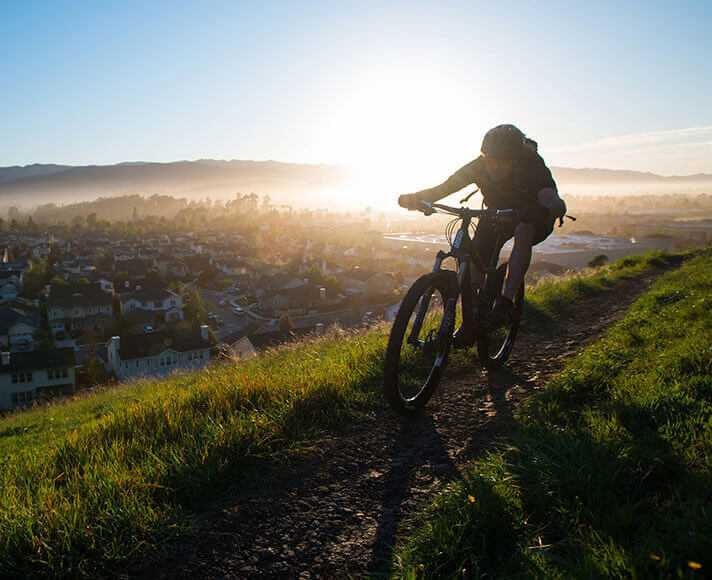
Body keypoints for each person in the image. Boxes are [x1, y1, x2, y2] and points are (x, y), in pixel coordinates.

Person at [398, 124, 566, 328]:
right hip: (496, 214)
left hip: (532, 217)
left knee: (524, 229)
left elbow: (555, 201)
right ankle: (473, 319)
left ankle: (505, 303)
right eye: (491, 161)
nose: (495, 167)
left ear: (514, 160)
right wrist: (415, 199)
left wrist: (544, 211)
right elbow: (446, 187)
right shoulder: (478, 165)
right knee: (476, 260)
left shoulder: (532, 166)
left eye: (502, 162)